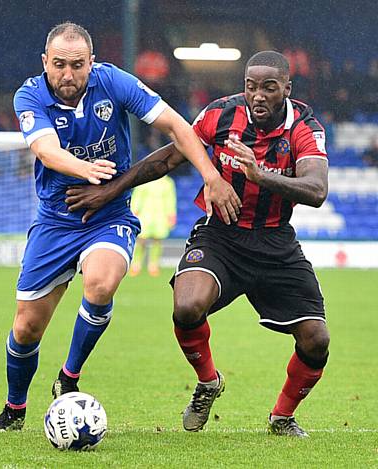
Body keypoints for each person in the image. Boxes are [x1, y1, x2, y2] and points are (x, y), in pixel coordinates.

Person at [0, 22, 239, 433]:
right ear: (45, 62)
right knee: (26, 326)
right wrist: (86, 170)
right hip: (55, 219)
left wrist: (210, 175)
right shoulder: (30, 94)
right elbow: (46, 150)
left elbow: (177, 125)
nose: (68, 75)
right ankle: (14, 409)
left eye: (78, 65)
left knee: (100, 284)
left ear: (92, 63)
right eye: (60, 65)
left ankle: (69, 376)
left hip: (110, 216)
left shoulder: (113, 82)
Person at [64, 51, 330, 437]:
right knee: (187, 306)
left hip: (276, 243)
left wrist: (259, 174)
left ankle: (282, 417)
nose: (258, 96)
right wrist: (109, 191)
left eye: (269, 88)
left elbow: (317, 189)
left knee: (316, 340)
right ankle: (208, 382)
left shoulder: (304, 126)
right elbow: (168, 159)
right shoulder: (219, 115)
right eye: (251, 86)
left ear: (287, 89)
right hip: (220, 235)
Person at [129, 175, 177, 277]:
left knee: (157, 240)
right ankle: (136, 264)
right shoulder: (145, 178)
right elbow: (137, 197)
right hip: (144, 214)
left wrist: (171, 215)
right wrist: (134, 212)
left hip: (161, 215)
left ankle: (153, 265)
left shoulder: (168, 182)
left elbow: (171, 199)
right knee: (141, 239)